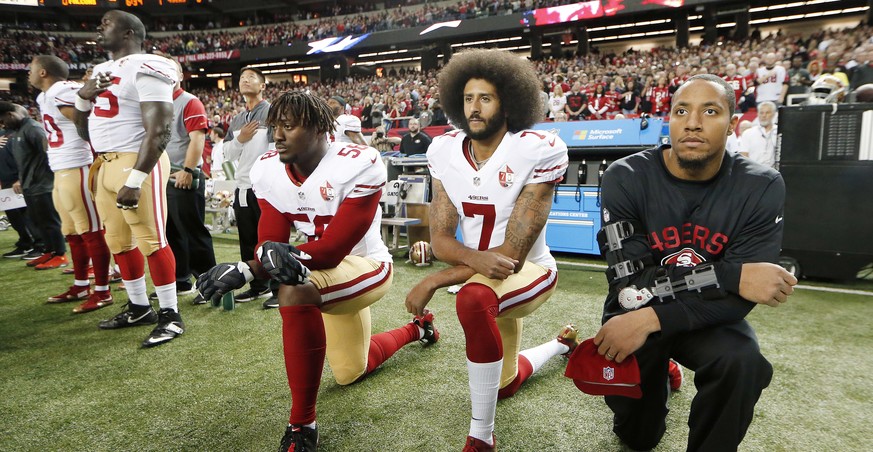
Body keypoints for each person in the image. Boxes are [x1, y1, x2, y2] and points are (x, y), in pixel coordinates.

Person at [195, 91, 439, 451]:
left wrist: (251, 269)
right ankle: (418, 329)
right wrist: (260, 260)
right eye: (275, 126)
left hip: (366, 265)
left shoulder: (359, 162)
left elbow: (332, 250)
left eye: (289, 127)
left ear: (321, 130)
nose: (277, 135)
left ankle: (302, 425)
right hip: (319, 271)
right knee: (351, 371)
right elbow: (271, 240)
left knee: (293, 289)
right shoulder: (269, 169)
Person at [592, 74, 797, 451]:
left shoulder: (762, 186)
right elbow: (628, 288)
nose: (693, 122)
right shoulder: (625, 176)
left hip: (703, 317)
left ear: (732, 124)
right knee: (638, 439)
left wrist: (654, 318)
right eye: (681, 110)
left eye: (710, 111)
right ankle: (659, 375)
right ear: (668, 119)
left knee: (742, 361)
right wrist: (730, 274)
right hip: (636, 312)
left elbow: (740, 299)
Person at [404, 49, 573, 451]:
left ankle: (481, 435)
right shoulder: (444, 151)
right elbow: (443, 239)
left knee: (473, 299)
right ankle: (560, 344)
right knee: (505, 385)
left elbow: (511, 255)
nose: (474, 109)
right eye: (467, 98)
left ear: (509, 102)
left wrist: (436, 279)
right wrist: (474, 259)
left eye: (486, 98)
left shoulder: (536, 149)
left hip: (529, 270)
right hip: (485, 270)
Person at [72, 10, 183, 347]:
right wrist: (82, 96)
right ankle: (138, 306)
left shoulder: (149, 64)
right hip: (103, 162)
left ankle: (170, 314)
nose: (98, 27)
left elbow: (160, 128)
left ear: (129, 32)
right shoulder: (102, 71)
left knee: (152, 239)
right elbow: (83, 129)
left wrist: (136, 178)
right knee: (118, 241)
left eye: (107, 23)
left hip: (135, 161)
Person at [29, 54, 114, 313]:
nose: (28, 74)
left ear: (44, 72)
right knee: (73, 232)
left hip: (78, 166)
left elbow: (83, 121)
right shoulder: (45, 96)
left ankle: (102, 290)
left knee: (91, 231)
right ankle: (80, 285)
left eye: (32, 69)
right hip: (61, 169)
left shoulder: (62, 90)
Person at [152, 60, 216, 303]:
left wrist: (189, 169)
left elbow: (197, 139)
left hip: (182, 173)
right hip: (162, 176)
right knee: (169, 233)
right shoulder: (155, 102)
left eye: (170, 69)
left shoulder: (189, 100)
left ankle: (209, 284)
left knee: (192, 231)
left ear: (180, 74)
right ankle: (180, 281)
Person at [222, 67, 274, 305]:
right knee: (247, 240)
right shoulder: (237, 119)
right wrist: (240, 138)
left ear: (262, 85)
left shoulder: (272, 112)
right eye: (242, 78)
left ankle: (279, 286)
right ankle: (258, 285)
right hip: (243, 187)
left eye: (251, 77)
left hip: (266, 186)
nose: (245, 80)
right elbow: (227, 154)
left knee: (270, 238)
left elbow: (276, 149)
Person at [0, 102, 69, 271]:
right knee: (38, 221)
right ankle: (50, 251)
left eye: (3, 120)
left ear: (11, 114)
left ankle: (60, 254)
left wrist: (47, 177)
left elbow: (49, 153)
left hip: (43, 184)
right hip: (30, 185)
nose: (3, 125)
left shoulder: (33, 129)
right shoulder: (18, 131)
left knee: (50, 222)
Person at [0, 128, 41, 260]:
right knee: (13, 216)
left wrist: (20, 179)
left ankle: (41, 245)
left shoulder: (9, 136)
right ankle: (25, 243)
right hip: (5, 181)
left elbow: (25, 159)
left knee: (28, 215)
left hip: (19, 180)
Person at [739, 101, 777, 168]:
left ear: (774, 114)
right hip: (753, 172)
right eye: (761, 113)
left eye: (767, 112)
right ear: (758, 114)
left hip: (775, 173)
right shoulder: (748, 133)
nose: (764, 115)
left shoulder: (779, 132)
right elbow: (743, 156)